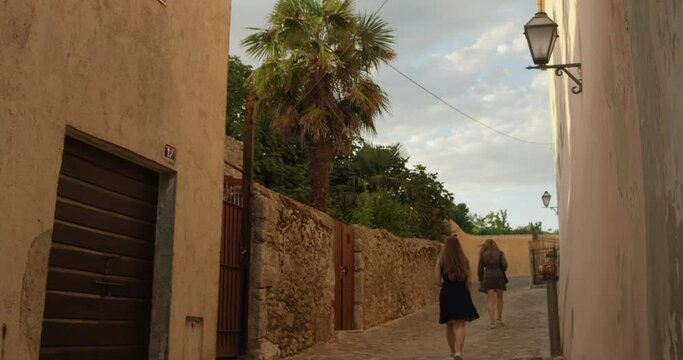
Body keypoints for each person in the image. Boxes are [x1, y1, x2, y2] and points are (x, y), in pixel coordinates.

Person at [434, 234, 479, 360]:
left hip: (447, 292)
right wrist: (469, 295)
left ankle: (452, 351)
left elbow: (437, 281)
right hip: (461, 292)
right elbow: (469, 282)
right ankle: (459, 351)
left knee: (449, 324)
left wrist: (446, 284)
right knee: (460, 324)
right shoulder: (465, 261)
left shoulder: (441, 261)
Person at [477, 239, 508, 329]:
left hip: (488, 277)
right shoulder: (500, 253)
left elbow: (480, 269)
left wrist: (480, 279)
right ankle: (499, 319)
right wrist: (501, 270)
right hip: (499, 276)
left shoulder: (483, 255)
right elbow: (505, 264)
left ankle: (492, 322)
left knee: (490, 300)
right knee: (500, 298)